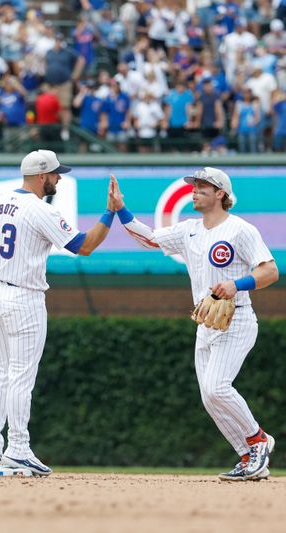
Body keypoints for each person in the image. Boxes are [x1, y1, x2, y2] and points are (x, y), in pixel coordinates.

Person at [110, 168, 279, 481]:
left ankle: (259, 441)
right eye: (195, 185)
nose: (195, 190)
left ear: (220, 194)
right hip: (206, 322)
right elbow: (148, 239)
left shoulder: (240, 230)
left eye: (204, 186)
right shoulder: (189, 230)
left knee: (217, 387)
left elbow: (270, 271)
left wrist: (237, 283)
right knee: (209, 396)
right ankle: (247, 457)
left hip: (237, 317)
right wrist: (121, 209)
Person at [0, 150, 117, 476]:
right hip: (23, 297)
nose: (59, 179)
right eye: (55, 174)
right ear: (42, 176)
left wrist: (2, 270)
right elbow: (83, 245)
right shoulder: (39, 209)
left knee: (2, 371)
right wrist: (109, 213)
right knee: (21, 377)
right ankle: (19, 447)